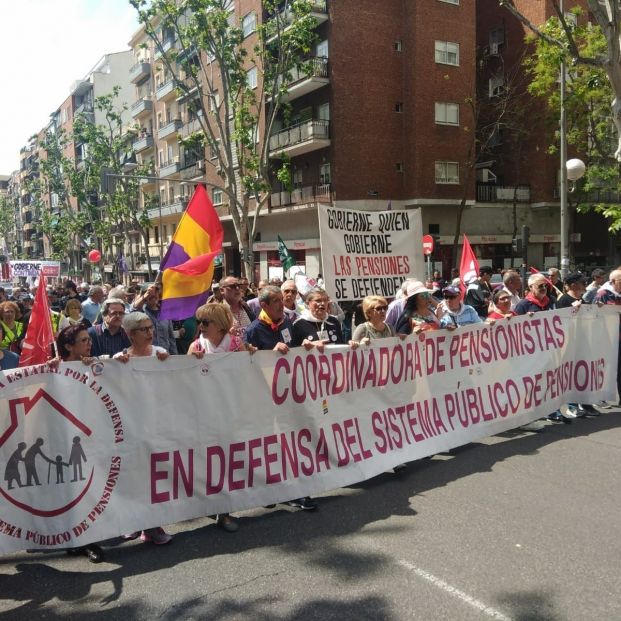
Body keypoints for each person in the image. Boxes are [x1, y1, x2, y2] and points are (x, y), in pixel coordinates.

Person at [245, 286, 319, 511]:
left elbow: (296, 348)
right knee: (269, 444)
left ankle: (296, 490)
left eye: (282, 299)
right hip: (266, 397)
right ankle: (270, 489)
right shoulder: (254, 330)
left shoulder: (287, 322)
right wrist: (269, 352)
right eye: (275, 300)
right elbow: (248, 363)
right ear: (264, 305)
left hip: (290, 394)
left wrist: (305, 345)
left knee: (291, 440)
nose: (281, 304)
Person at [114, 312, 172, 545]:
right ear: (129, 335)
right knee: (133, 477)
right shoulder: (119, 359)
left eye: (150, 327)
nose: (150, 332)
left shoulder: (160, 354)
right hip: (131, 427)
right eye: (143, 329)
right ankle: (132, 522)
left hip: (157, 424)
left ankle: (153, 526)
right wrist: (116, 369)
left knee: (154, 477)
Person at [54, 324, 105, 562]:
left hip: (92, 437)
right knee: (73, 490)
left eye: (89, 339)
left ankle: (88, 537)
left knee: (90, 487)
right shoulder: (54, 368)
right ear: (68, 346)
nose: (89, 343)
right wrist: (49, 370)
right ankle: (80, 539)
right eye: (83, 340)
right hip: (65, 441)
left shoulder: (95, 365)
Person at [595, 269, 621, 405]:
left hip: (619, 338)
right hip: (608, 339)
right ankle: (600, 397)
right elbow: (595, 315)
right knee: (606, 369)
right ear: (612, 282)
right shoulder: (603, 294)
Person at [130, 283, 178, 354]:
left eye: (156, 292)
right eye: (150, 294)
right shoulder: (140, 313)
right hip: (147, 357)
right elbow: (132, 309)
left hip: (164, 357)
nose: (153, 296)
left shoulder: (165, 314)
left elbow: (171, 339)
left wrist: (174, 357)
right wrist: (144, 297)